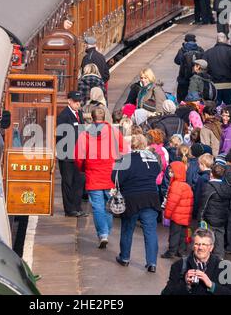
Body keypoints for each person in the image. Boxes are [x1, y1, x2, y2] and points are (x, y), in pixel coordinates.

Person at [75, 107, 126, 248]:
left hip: (93, 175)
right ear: (105, 118)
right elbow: (124, 150)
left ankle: (103, 234)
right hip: (110, 176)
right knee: (109, 205)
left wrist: (83, 168)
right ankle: (106, 231)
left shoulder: (85, 135)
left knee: (98, 207)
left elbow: (79, 157)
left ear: (91, 118)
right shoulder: (115, 133)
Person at [113, 134, 162, 272]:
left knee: (128, 229)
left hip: (131, 198)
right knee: (150, 231)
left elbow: (115, 178)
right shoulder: (152, 159)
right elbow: (157, 171)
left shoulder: (126, 160)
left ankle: (125, 258)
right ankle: (152, 262)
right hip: (151, 197)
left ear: (132, 145)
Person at [161, 228, 231, 295]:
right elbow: (166, 293)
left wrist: (211, 285)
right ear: (193, 246)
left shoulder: (224, 266)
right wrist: (185, 284)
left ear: (211, 247)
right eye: (197, 244)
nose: (200, 248)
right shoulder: (179, 265)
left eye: (204, 244)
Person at [56, 91, 88, 217]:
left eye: (79, 101)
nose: (78, 103)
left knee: (79, 181)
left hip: (79, 154)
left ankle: (77, 207)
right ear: (69, 101)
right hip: (68, 156)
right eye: (76, 101)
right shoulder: (64, 116)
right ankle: (69, 209)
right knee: (68, 182)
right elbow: (60, 135)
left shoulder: (79, 113)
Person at [198, 163, 231, 259]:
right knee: (220, 239)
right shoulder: (226, 187)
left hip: (210, 218)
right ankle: (219, 258)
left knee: (207, 238)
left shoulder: (209, 187)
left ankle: (206, 258)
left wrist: (200, 217)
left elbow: (204, 204)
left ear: (211, 174)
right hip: (222, 218)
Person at [161, 161, 194, 259]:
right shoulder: (186, 185)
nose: (170, 172)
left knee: (174, 234)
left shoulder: (176, 185)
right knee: (183, 234)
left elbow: (172, 202)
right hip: (185, 215)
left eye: (171, 171)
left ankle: (171, 251)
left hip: (177, 215)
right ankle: (181, 251)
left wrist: (167, 214)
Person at [203, 33, 231, 106]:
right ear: (225, 40)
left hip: (214, 85)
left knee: (215, 108)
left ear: (217, 40)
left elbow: (204, 68)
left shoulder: (208, 52)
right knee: (229, 107)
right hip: (228, 84)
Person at [174, 34, 205, 102]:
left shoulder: (182, 50)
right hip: (197, 79)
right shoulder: (200, 49)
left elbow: (177, 61)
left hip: (183, 80)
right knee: (196, 100)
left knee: (182, 100)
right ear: (195, 40)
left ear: (185, 41)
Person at [193, 153, 214, 220]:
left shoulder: (202, 178)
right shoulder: (213, 175)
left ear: (203, 164)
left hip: (201, 208)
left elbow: (198, 195)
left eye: (199, 164)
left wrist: (195, 211)